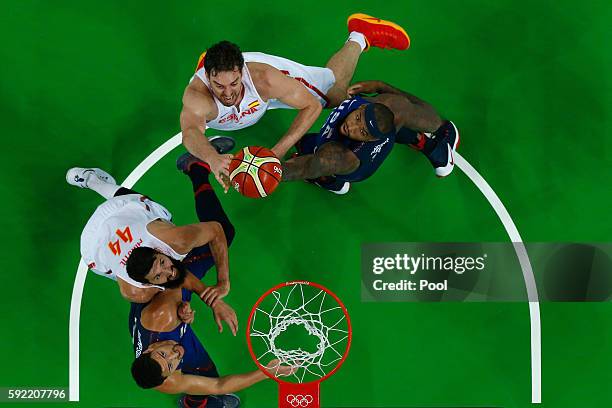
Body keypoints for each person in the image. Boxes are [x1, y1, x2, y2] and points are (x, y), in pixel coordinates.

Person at [180, 13, 411, 190]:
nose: (228, 93)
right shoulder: (198, 97)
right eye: (219, 85)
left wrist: (276, 152)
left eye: (234, 83)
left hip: (262, 92)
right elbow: (190, 132)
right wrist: (212, 158)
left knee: (332, 95)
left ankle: (360, 34)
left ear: (241, 71)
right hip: (248, 100)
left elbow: (312, 106)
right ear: (208, 76)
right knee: (229, 106)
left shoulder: (264, 78)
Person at [67, 137, 236, 303]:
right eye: (158, 276)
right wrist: (182, 308)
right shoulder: (136, 293)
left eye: (162, 262)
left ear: (159, 250)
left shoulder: (175, 240)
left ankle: (92, 180)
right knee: (167, 285)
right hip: (92, 245)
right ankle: (89, 179)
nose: (169, 272)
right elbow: (169, 289)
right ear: (146, 283)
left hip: (119, 211)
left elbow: (216, 230)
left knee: (136, 206)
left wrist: (223, 282)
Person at [281, 80, 460, 194]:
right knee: (399, 110)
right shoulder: (382, 105)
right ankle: (429, 144)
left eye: (363, 132)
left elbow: (309, 166)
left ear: (370, 140)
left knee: (306, 146)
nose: (352, 127)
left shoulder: (339, 154)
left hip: (357, 167)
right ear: (363, 107)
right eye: (358, 118)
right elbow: (423, 110)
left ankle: (331, 181)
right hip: (384, 133)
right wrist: (381, 86)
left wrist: (270, 170)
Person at [130, 283, 290, 407]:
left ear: (149, 349)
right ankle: (193, 405)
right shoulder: (167, 381)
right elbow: (218, 386)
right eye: (171, 365)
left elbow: (178, 275)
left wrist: (214, 300)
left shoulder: (163, 316)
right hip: (165, 335)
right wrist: (267, 372)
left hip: (160, 309)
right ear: (168, 375)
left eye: (164, 355)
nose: (176, 354)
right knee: (206, 378)